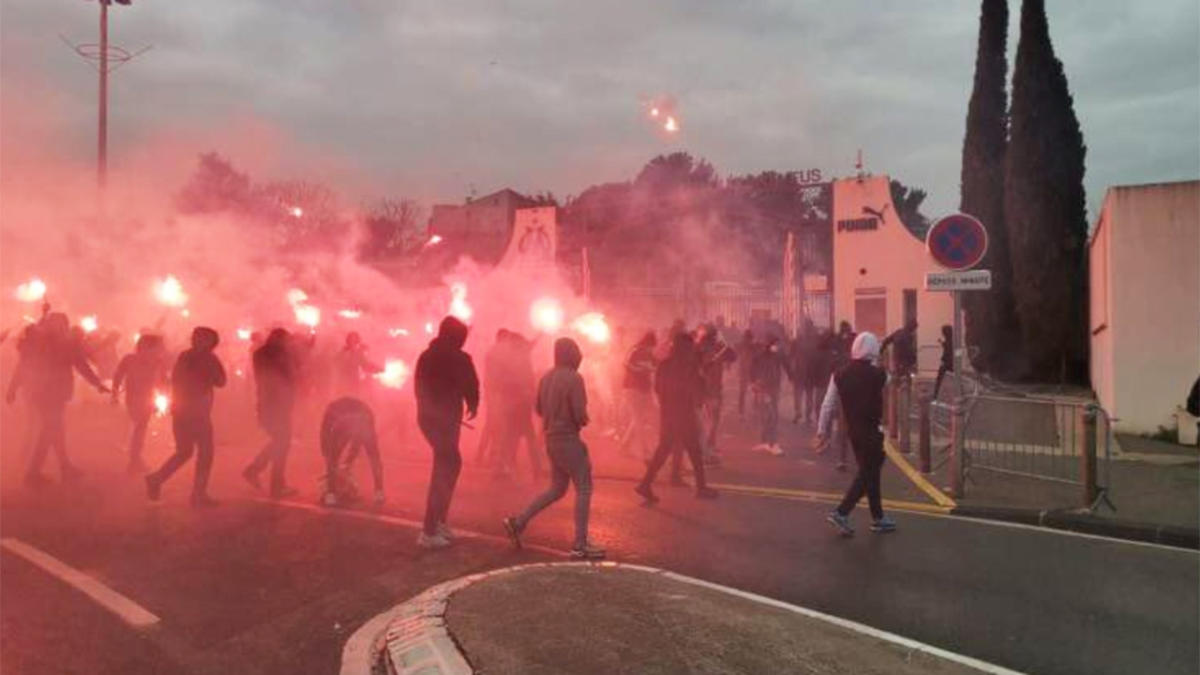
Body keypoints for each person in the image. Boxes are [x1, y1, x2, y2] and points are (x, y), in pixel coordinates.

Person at [503, 338, 604, 559]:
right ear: (570, 354)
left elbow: (538, 408)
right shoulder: (575, 378)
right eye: (576, 350)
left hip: (550, 438)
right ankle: (580, 544)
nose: (579, 355)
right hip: (568, 438)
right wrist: (581, 419)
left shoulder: (546, 377)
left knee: (557, 489)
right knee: (584, 487)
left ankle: (518, 522)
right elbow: (579, 413)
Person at [7, 313, 109, 487]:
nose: (60, 327)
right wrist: (13, 387)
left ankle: (64, 467)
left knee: (56, 431)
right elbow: (24, 366)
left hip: (54, 393)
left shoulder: (65, 344)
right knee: (49, 431)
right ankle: (33, 474)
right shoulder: (38, 343)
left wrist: (97, 384)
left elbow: (80, 364)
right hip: (44, 394)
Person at [816, 332, 895, 536]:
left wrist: (822, 430)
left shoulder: (839, 375)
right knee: (869, 471)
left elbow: (828, 404)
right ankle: (841, 512)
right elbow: (891, 378)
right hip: (871, 430)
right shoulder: (878, 374)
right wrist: (883, 356)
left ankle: (878, 518)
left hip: (853, 431)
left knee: (870, 472)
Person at [413, 316, 479, 549]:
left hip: (430, 418)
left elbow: (419, 387)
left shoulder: (426, 356)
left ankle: (439, 521)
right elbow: (472, 384)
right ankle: (429, 531)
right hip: (444, 419)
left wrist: (427, 409)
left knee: (450, 463)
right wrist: (473, 404)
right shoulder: (459, 358)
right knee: (446, 466)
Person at [145, 327, 226, 506]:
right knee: (205, 452)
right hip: (197, 412)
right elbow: (221, 381)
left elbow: (176, 380)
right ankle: (198, 495)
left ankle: (156, 479)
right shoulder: (208, 358)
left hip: (181, 409)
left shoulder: (184, 356)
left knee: (184, 451)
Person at [634, 333, 719, 503]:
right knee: (694, 451)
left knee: (663, 450)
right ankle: (701, 488)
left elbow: (657, 388)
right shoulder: (689, 365)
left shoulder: (665, 364)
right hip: (684, 413)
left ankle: (645, 484)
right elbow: (697, 389)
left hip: (667, 413)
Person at [244, 328, 298, 499]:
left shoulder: (261, 354)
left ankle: (258, 472)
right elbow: (287, 376)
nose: (287, 343)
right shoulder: (276, 355)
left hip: (270, 402)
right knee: (282, 442)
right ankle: (274, 484)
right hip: (275, 403)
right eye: (285, 339)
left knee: (280, 441)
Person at [111, 334, 169, 474]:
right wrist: (114, 393)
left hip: (147, 398)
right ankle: (134, 460)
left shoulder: (157, 361)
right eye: (157, 347)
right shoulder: (130, 359)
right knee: (139, 428)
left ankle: (135, 459)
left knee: (140, 428)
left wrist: (163, 396)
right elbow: (118, 375)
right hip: (135, 397)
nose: (160, 349)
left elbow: (162, 381)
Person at [319, 396, 383, 507]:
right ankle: (379, 492)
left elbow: (324, 435)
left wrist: (328, 457)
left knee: (333, 457)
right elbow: (358, 440)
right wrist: (347, 462)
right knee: (373, 455)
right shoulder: (336, 411)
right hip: (362, 416)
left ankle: (331, 494)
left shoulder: (330, 413)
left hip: (352, 419)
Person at [696, 323, 737, 461]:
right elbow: (732, 355)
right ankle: (706, 447)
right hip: (709, 389)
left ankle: (707, 446)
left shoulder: (701, 347)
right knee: (712, 420)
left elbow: (732, 356)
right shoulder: (711, 348)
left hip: (706, 389)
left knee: (708, 420)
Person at [750, 335, 792, 456]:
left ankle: (768, 442)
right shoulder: (760, 356)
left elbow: (786, 365)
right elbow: (752, 369)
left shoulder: (778, 355)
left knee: (769, 415)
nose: (777, 347)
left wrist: (791, 376)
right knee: (770, 415)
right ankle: (771, 443)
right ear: (770, 345)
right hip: (763, 389)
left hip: (773, 388)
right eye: (775, 344)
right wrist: (753, 382)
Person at [619, 331, 658, 461]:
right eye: (650, 346)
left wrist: (650, 368)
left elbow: (656, 365)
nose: (651, 349)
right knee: (638, 420)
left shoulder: (650, 354)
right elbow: (625, 364)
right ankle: (644, 452)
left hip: (644, 389)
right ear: (646, 343)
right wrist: (638, 369)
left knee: (638, 419)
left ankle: (624, 446)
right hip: (632, 389)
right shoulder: (635, 351)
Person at [789, 322, 814, 424]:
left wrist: (791, 371)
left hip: (799, 371)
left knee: (798, 394)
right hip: (809, 372)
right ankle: (807, 416)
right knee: (809, 395)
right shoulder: (814, 342)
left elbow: (791, 357)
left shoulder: (797, 341)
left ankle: (798, 413)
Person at [736, 329, 757, 416]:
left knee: (752, 391)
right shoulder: (745, 346)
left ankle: (744, 410)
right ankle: (742, 410)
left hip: (749, 372)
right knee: (745, 392)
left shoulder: (750, 346)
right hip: (746, 372)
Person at [932, 325, 954, 400]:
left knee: (939, 380)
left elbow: (947, 352)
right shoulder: (951, 341)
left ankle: (935, 396)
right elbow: (946, 346)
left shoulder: (948, 342)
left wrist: (943, 361)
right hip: (952, 364)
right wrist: (941, 342)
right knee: (950, 380)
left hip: (946, 364)